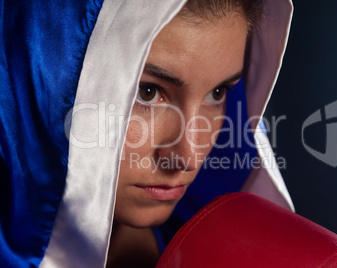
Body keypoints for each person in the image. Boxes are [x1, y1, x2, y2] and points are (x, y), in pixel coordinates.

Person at [0, 0, 294, 267]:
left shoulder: (217, 249)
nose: (189, 157)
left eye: (217, 93)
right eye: (147, 92)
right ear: (44, 80)